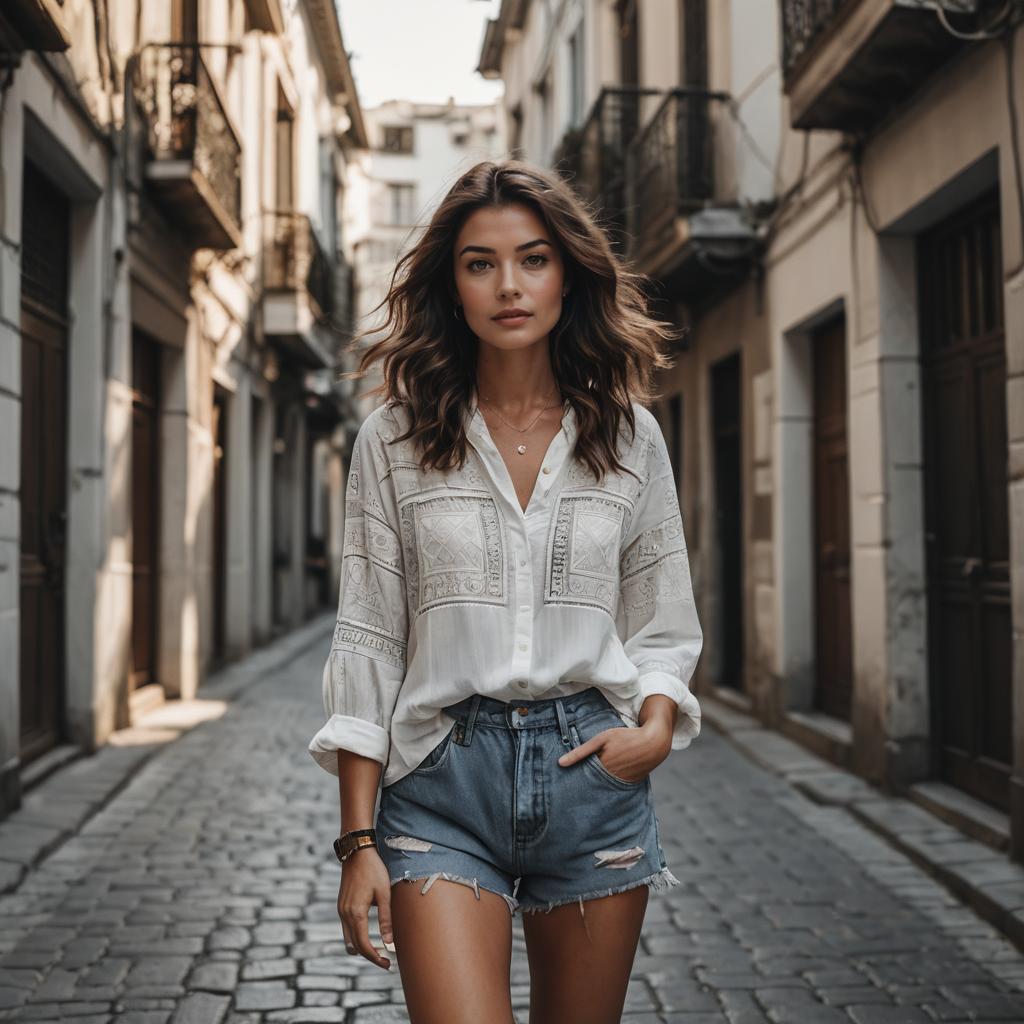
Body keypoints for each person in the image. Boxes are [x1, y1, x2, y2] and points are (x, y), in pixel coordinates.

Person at [307, 159, 703, 1024]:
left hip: (591, 780)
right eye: (480, 263)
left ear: (569, 274)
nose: (509, 285)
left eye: (533, 258)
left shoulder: (631, 435)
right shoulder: (395, 439)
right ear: (452, 286)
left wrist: (656, 730)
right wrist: (358, 841)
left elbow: (663, 616)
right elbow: (370, 636)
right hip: (442, 781)